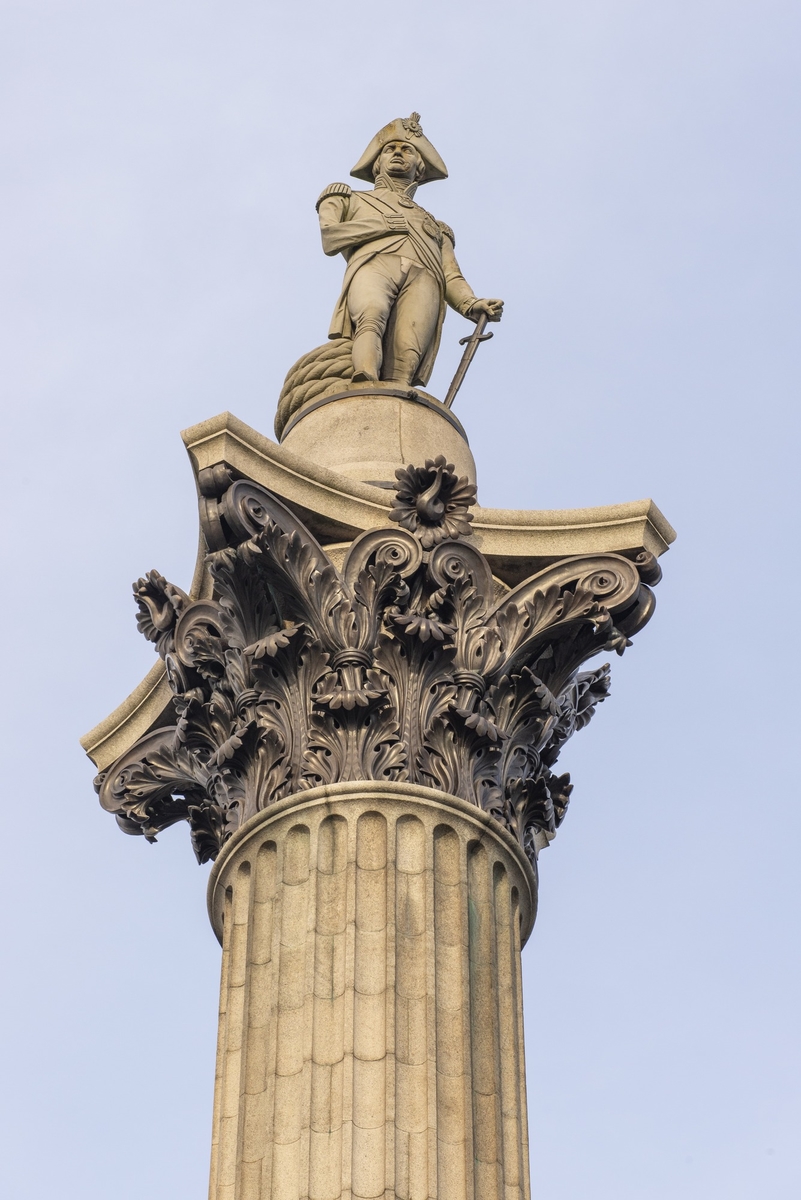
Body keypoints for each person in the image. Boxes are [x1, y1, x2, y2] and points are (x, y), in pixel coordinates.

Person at [316, 114, 503, 390]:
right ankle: (363, 384)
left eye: (407, 150)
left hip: (425, 279)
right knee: (371, 316)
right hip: (373, 264)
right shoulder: (349, 198)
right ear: (377, 163)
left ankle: (396, 397)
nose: (398, 154)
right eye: (389, 149)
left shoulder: (438, 228)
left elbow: (451, 276)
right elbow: (330, 238)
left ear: (420, 168)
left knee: (408, 349)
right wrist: (382, 224)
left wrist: (470, 304)